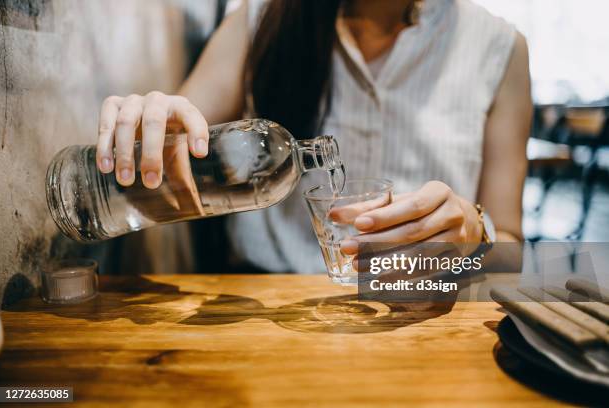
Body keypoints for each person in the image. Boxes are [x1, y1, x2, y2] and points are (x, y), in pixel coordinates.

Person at [95, 0, 532, 274]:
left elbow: (510, 242)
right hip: (267, 306)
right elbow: (176, 134)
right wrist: (149, 126)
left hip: (417, 305)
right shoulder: (262, 17)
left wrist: (475, 230)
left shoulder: (498, 47)